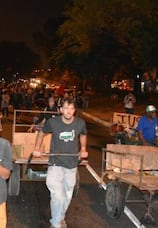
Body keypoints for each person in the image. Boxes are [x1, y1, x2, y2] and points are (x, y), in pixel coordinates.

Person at [33, 97, 88, 228]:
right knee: (57, 195)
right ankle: (56, 223)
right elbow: (41, 133)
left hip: (71, 164)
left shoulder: (80, 123)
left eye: (71, 108)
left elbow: (83, 134)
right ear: (61, 109)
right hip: (55, 163)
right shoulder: (53, 122)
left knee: (67, 195)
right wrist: (37, 148)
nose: (68, 111)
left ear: (74, 110)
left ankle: (59, 219)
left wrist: (84, 149)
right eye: (66, 108)